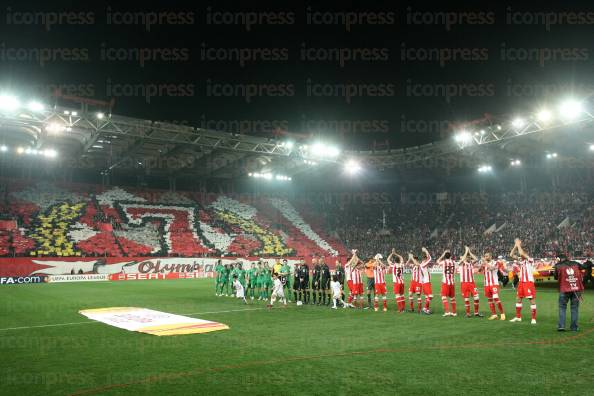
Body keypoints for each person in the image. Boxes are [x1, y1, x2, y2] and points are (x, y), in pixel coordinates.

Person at [554, 252, 585, 331]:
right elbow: (583, 267)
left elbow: (556, 277)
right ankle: (574, 327)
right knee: (574, 308)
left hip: (564, 289)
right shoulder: (575, 263)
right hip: (576, 289)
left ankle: (561, 326)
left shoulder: (558, 266)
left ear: (559, 259)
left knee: (562, 308)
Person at [509, 238, 537, 324]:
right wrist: (515, 246)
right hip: (521, 282)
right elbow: (511, 255)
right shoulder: (521, 260)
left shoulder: (530, 259)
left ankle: (533, 318)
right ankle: (518, 317)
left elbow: (521, 253)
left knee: (531, 300)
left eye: (523, 254)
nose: (520, 255)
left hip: (528, 282)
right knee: (518, 299)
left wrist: (518, 245)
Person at [459, 246, 483, 318]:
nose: (468, 258)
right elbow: (462, 259)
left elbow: (476, 259)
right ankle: (468, 313)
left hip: (472, 283)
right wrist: (466, 252)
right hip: (464, 283)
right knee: (466, 299)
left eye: (469, 257)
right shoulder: (461, 263)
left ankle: (476, 312)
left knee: (476, 297)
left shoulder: (471, 263)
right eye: (467, 257)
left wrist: (469, 252)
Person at [482, 252, 505, 321]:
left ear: (491, 256)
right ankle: (494, 314)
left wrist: (485, 263)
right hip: (487, 284)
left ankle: (502, 313)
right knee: (489, 299)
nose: (486, 257)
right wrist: (481, 266)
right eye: (485, 256)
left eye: (487, 256)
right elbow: (481, 271)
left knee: (495, 298)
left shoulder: (495, 262)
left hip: (494, 283)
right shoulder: (484, 264)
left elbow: (492, 268)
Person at [436, 249, 457, 317]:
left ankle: (447, 312)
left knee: (444, 297)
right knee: (452, 298)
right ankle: (454, 312)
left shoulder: (443, 262)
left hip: (445, 282)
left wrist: (443, 253)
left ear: (445, 256)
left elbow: (437, 261)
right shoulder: (454, 262)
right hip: (452, 282)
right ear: (450, 256)